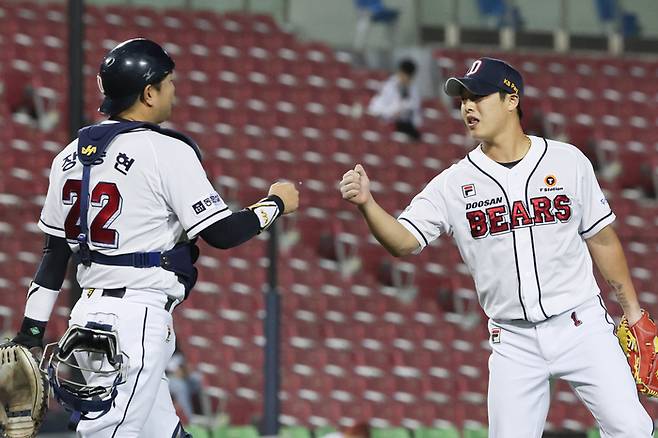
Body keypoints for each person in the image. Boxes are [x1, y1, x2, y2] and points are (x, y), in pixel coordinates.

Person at [340, 57, 653, 436]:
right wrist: (368, 206)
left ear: (511, 99)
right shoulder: (453, 183)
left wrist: (632, 312)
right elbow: (404, 243)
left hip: (580, 323)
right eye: (463, 99)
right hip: (513, 340)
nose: (468, 107)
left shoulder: (568, 161)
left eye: (479, 96)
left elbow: (602, 239)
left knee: (633, 428)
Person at [8, 38, 298, 438]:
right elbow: (222, 233)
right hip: (136, 319)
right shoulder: (165, 150)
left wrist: (31, 333)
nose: (174, 90)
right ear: (148, 92)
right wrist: (275, 203)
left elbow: (54, 255)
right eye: (168, 83)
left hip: (85, 316)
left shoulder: (69, 155)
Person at [368, 58, 422, 141]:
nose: (406, 80)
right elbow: (374, 108)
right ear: (400, 73)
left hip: (406, 125)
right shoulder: (388, 86)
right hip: (389, 124)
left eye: (409, 78)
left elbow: (416, 112)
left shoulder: (413, 90)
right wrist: (393, 112)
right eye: (404, 76)